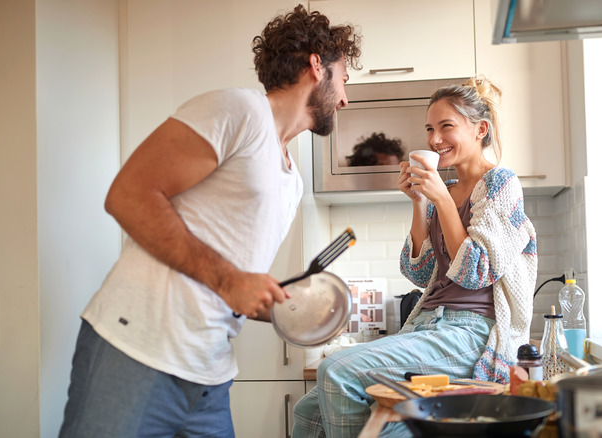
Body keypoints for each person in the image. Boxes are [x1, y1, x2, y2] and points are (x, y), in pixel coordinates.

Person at [58, 5, 361, 438]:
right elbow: (128, 195)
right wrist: (229, 281)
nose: (346, 98)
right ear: (317, 65)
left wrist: (294, 306)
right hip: (137, 350)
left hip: (209, 378)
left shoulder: (291, 180)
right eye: (345, 79)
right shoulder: (238, 110)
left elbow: (235, 280)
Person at [292, 76, 537, 437]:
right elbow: (419, 272)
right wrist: (421, 202)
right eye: (429, 129)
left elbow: (475, 273)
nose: (434, 139)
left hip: (471, 332)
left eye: (446, 127)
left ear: (480, 129)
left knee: (337, 370)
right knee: (307, 411)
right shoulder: (446, 190)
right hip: (428, 325)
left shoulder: (500, 183)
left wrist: (438, 198)